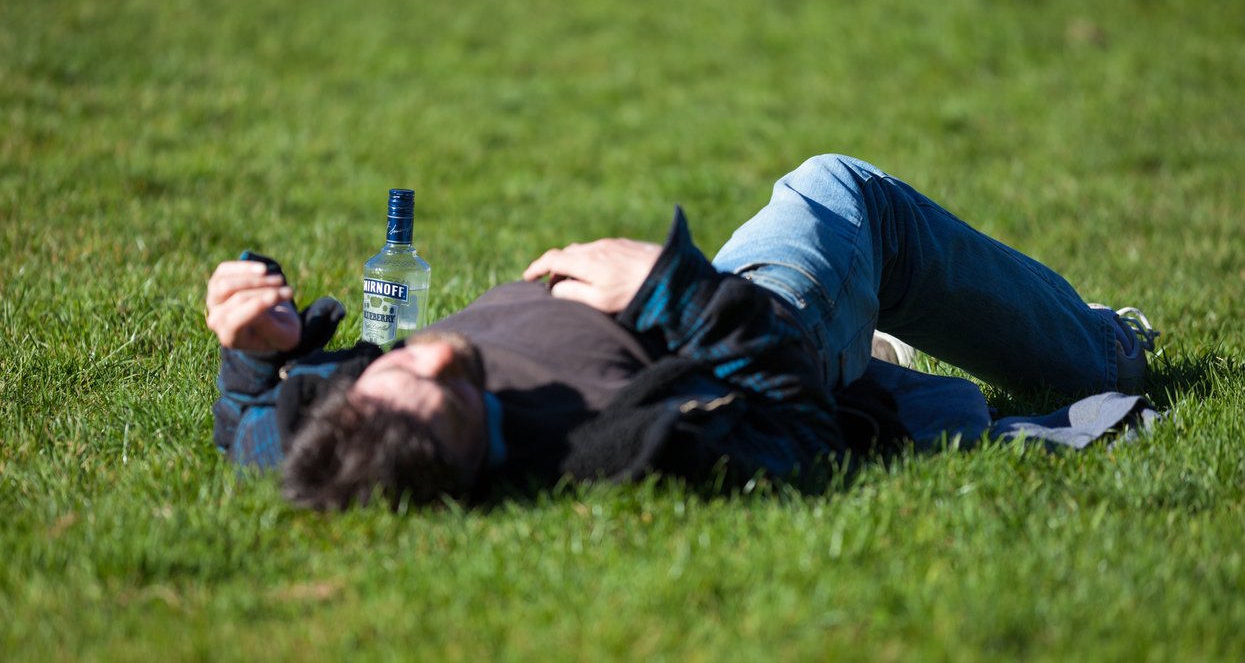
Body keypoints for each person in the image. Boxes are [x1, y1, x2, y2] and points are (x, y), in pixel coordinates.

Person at [206, 155, 1159, 509]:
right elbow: (794, 428)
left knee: (915, 381)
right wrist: (668, 291)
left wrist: (253, 344)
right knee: (839, 193)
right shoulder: (621, 451)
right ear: (466, 458)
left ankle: (884, 360)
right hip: (748, 321)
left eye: (394, 371)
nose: (437, 354)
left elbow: (253, 421)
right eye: (453, 393)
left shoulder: (335, 439)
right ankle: (1102, 349)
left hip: (701, 311)